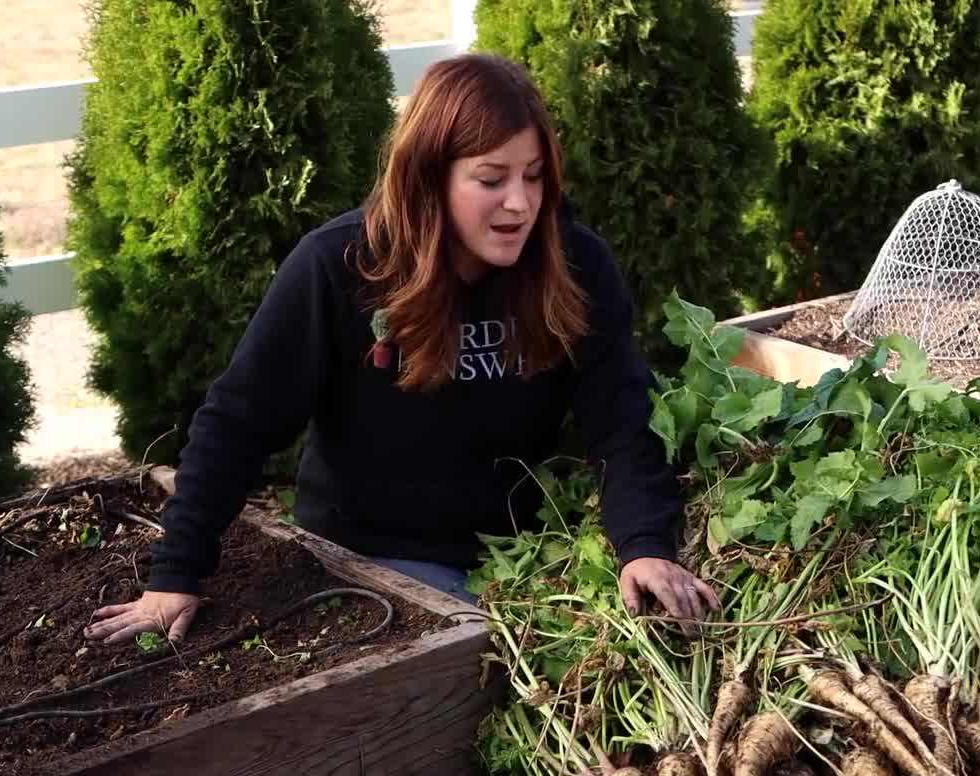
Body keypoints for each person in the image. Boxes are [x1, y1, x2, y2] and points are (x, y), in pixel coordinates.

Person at [85, 54, 719, 648]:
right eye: (490, 179)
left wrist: (643, 544)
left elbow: (621, 417)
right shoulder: (340, 267)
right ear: (428, 178)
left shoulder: (574, 263)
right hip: (371, 561)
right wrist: (176, 573)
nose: (520, 203)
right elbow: (239, 420)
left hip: (518, 554)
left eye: (533, 176)